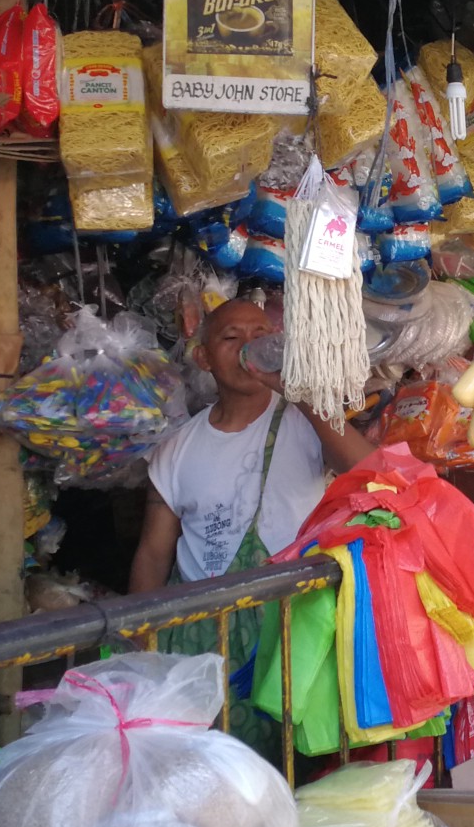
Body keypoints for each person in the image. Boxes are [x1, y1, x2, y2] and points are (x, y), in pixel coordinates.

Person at [129, 298, 374, 742]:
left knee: (292, 762)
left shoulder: (305, 421)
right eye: (231, 338)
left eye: (260, 337)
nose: (248, 348)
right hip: (201, 637)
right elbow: (153, 551)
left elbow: (370, 475)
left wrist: (299, 393)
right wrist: (139, 646)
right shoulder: (175, 447)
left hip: (293, 632)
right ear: (203, 357)